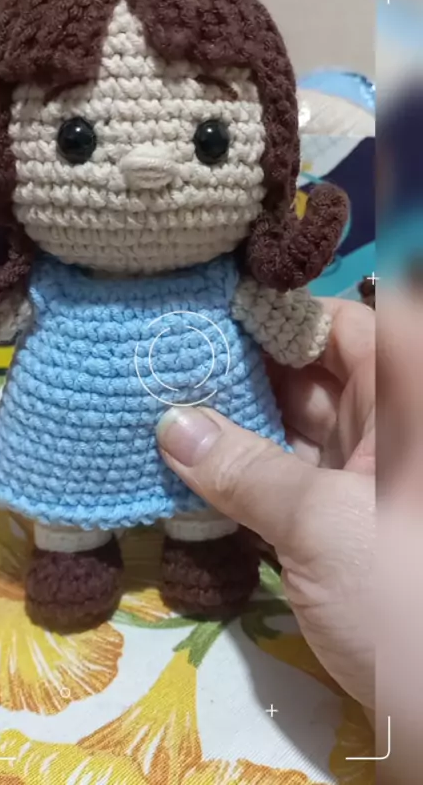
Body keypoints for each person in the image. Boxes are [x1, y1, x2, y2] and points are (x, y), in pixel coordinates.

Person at [157, 296, 376, 710]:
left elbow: (302, 337)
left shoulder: (228, 289)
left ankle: (202, 548)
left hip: (207, 482)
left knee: (205, 523)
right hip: (74, 467)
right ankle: (73, 550)